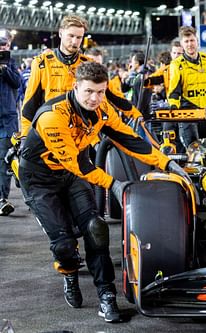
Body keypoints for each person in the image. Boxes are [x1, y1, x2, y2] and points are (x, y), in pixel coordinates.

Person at [18, 61, 184, 322]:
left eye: (101, 92)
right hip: (39, 179)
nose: (95, 98)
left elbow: (127, 137)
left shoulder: (102, 108)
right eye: (89, 92)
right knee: (63, 244)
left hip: (71, 175)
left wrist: (166, 162)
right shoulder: (53, 116)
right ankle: (69, 272)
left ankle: (107, 295)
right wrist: (114, 185)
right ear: (75, 87)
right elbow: (80, 163)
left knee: (96, 229)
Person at [20, 14, 141, 139]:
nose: (75, 41)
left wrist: (136, 115)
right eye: (71, 36)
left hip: (83, 134)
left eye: (79, 37)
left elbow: (113, 94)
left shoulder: (89, 64)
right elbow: (30, 103)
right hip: (51, 132)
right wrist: (25, 137)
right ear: (61, 33)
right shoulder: (42, 63)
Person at [168, 26, 206, 150]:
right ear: (182, 45)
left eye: (192, 40)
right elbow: (174, 90)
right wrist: (173, 106)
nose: (190, 44)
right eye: (186, 41)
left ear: (197, 41)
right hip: (187, 112)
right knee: (193, 149)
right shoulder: (176, 64)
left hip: (205, 111)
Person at [0, 31, 21, 216]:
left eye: (4, 46)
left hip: (7, 120)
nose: (2, 49)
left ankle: (2, 199)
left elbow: (17, 84)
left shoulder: (11, 64)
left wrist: (4, 70)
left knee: (4, 159)